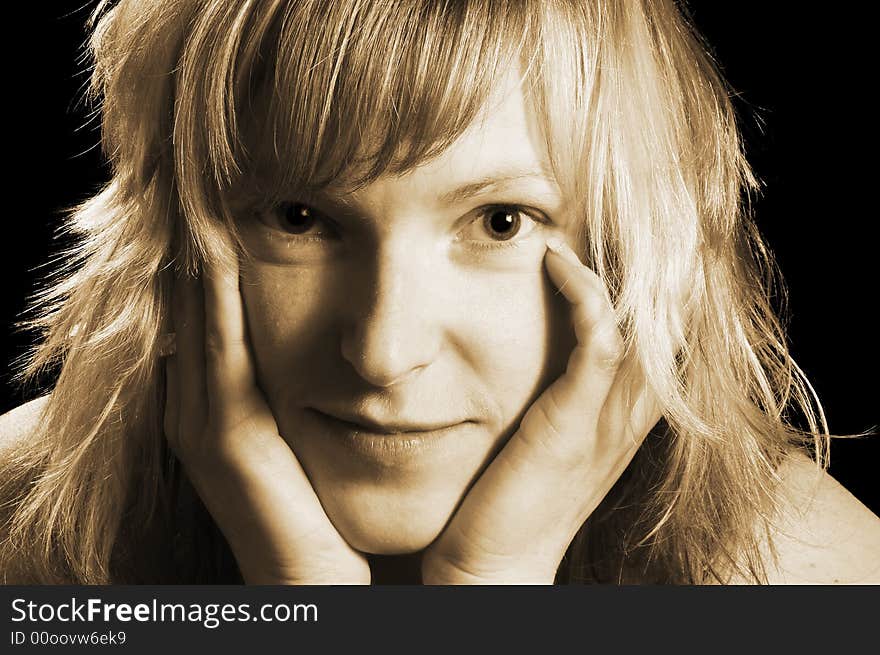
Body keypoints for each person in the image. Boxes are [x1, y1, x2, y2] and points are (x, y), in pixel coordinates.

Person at [1, 0, 878, 585]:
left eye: (500, 221)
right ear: (170, 237)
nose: (383, 351)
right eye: (300, 217)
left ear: (632, 257)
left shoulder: (815, 572)